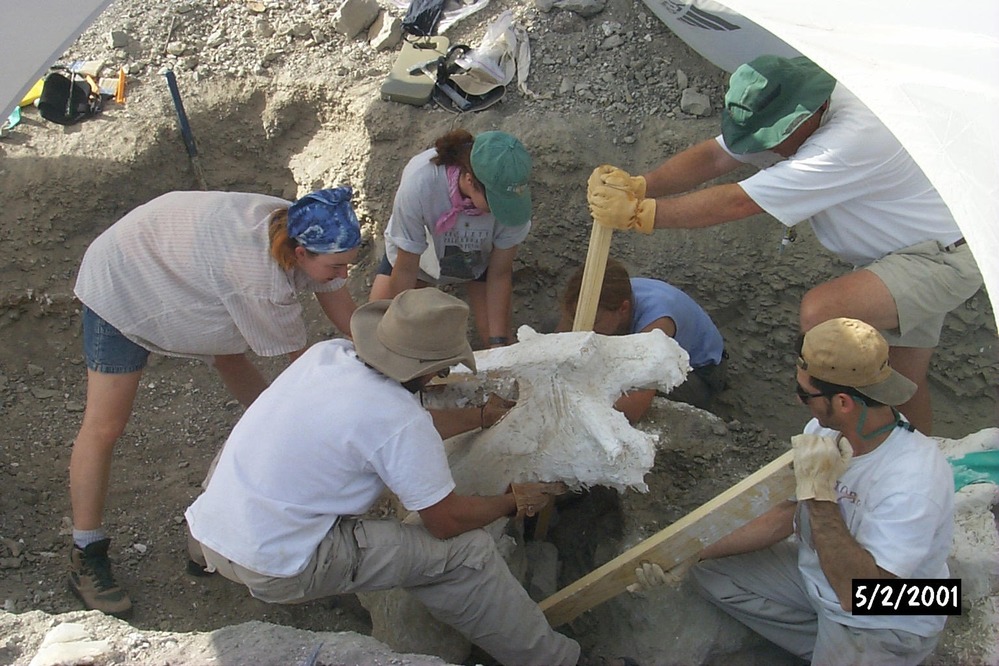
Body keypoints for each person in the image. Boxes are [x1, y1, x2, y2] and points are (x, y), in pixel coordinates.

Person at [587, 54, 982, 435]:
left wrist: (641, 214)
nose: (767, 151)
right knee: (902, 381)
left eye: (773, 141)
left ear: (807, 116)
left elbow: (740, 201)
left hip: (941, 256)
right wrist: (640, 186)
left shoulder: (849, 141)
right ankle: (924, 460)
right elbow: (714, 156)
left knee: (823, 311)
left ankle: (848, 436)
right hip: (911, 246)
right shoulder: (795, 107)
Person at [185, 288, 579, 666]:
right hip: (273, 565)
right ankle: (555, 661)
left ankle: (197, 557)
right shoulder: (397, 419)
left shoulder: (327, 356)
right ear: (432, 370)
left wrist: (479, 418)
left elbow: (392, 429)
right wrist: (512, 501)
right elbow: (445, 523)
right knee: (465, 555)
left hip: (213, 527)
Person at [68, 187, 363, 617]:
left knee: (239, 365)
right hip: (124, 278)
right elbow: (305, 372)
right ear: (300, 254)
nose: (344, 272)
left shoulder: (309, 225)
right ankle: (85, 552)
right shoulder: (258, 277)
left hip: (178, 260)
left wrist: (386, 349)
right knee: (105, 425)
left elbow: (347, 311)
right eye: (336, 265)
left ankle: (210, 532)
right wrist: (346, 413)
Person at [633, 317, 954, 665]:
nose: (799, 401)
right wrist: (692, 551)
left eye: (805, 394)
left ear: (844, 402)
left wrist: (819, 495)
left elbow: (858, 594)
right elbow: (784, 515)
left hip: (884, 614)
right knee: (713, 569)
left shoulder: (914, 478)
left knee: (861, 622)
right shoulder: (823, 428)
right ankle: (828, 645)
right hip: (826, 584)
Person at [369, 128, 532, 349]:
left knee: (499, 344)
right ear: (470, 180)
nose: (502, 211)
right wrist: (399, 333)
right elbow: (406, 268)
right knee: (377, 333)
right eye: (496, 203)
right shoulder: (420, 184)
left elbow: (500, 273)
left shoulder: (513, 203)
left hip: (476, 258)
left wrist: (498, 343)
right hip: (419, 256)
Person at [556, 259, 727, 420]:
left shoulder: (657, 325)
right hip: (635, 335)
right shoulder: (599, 299)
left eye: (594, 322)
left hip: (699, 373)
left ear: (623, 308)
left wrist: (575, 406)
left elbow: (633, 409)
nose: (584, 330)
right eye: (577, 319)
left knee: (630, 398)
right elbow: (560, 344)